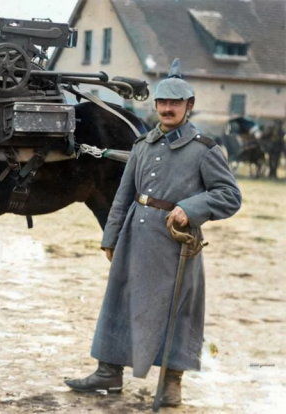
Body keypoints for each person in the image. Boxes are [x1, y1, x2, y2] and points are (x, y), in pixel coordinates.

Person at [64, 59, 242, 407]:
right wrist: (111, 236)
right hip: (135, 235)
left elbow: (230, 195)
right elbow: (123, 195)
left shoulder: (204, 150)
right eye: (162, 102)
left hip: (176, 245)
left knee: (177, 310)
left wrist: (190, 209)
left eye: (175, 103)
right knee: (119, 299)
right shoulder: (143, 145)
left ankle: (172, 380)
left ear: (188, 106)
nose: (167, 108)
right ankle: (108, 371)